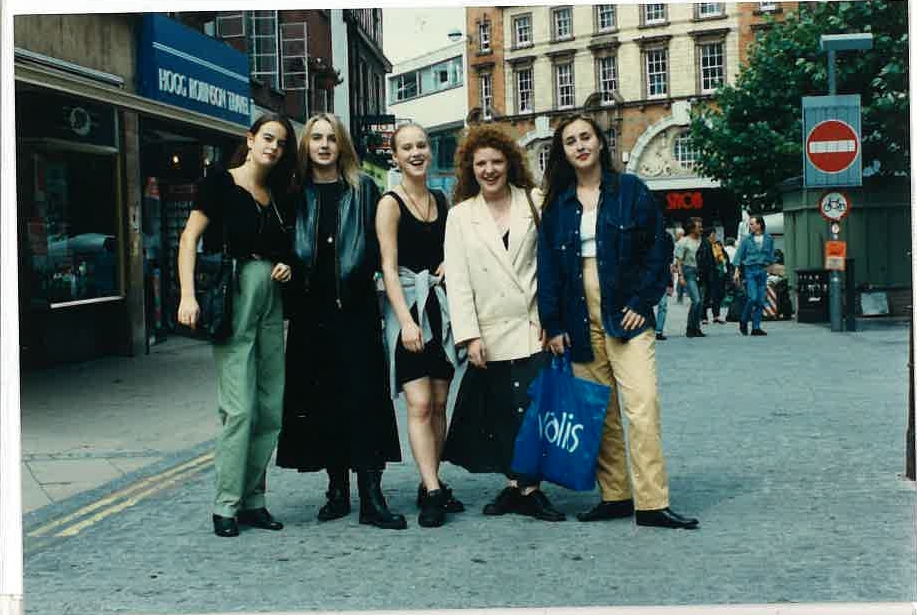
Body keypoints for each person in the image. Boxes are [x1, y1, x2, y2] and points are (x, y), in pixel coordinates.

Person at [537, 114, 698, 530]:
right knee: (600, 412)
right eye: (570, 141)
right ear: (563, 152)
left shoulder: (630, 190)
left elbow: (659, 249)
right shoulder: (557, 206)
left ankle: (652, 502)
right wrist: (553, 324)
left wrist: (643, 302)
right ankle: (616, 495)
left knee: (642, 404)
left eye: (585, 137)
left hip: (625, 312)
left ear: (600, 143)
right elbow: (548, 268)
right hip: (577, 315)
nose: (580, 146)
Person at [276, 113, 406, 530]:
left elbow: (386, 246)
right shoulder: (294, 193)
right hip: (310, 316)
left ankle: (371, 496)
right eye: (316, 138)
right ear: (306, 146)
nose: (324, 145)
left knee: (365, 401)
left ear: (342, 145)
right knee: (324, 402)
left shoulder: (364, 190)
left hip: (356, 312)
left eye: (331, 138)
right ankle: (337, 490)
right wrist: (284, 266)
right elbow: (281, 243)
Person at [177, 112, 297, 538]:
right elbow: (189, 238)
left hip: (272, 298)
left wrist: (286, 264)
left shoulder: (279, 193)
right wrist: (187, 295)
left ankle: (253, 501)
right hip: (235, 295)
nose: (274, 147)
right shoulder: (220, 182)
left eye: (281, 143)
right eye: (268, 138)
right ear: (250, 139)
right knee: (240, 409)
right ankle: (225, 505)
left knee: (270, 408)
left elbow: (286, 248)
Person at [442, 125, 565, 522]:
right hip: (490, 327)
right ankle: (516, 486)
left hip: (532, 322)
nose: (489, 170)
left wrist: (552, 317)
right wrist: (468, 335)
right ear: (470, 168)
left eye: (496, 161)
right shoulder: (461, 216)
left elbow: (553, 264)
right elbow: (458, 279)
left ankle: (530, 489)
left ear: (510, 163)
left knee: (532, 408)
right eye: (481, 163)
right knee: (500, 411)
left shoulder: (534, 201)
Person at [376, 122, 464, 528]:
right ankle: (431, 491)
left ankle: (433, 478)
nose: (416, 153)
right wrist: (406, 322)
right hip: (409, 310)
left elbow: (453, 248)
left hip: (439, 309)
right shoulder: (390, 203)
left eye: (421, 146)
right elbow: (388, 267)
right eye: (407, 147)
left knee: (441, 402)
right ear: (395, 157)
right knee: (420, 403)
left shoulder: (441, 200)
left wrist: (449, 261)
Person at [732, 214, 775, 336]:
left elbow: (771, 255)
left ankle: (756, 327)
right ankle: (743, 320)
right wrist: (736, 272)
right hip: (750, 271)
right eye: (750, 224)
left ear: (759, 225)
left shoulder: (769, 239)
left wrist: (770, 268)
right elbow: (739, 256)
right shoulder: (746, 240)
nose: (750, 226)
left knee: (760, 301)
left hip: (762, 271)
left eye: (752, 224)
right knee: (752, 298)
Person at [675, 217, 706, 338]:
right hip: (689, 272)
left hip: (701, 272)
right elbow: (679, 260)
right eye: (698, 227)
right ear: (692, 229)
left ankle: (696, 328)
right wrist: (681, 276)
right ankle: (690, 327)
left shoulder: (703, 241)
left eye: (701, 226)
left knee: (701, 302)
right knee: (696, 300)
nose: (701, 229)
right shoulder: (684, 242)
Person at [702, 227, 728, 324]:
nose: (714, 236)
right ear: (709, 235)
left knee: (717, 295)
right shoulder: (704, 245)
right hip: (708, 275)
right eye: (713, 234)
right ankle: (703, 317)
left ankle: (716, 316)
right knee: (707, 295)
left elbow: (724, 256)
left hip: (718, 274)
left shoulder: (716, 245)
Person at [674, 227, 686, 303]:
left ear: (680, 234)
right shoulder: (679, 242)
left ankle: (680, 296)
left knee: (681, 278)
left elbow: (677, 255)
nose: (675, 236)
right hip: (681, 263)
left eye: (676, 234)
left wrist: (675, 264)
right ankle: (680, 296)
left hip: (682, 263)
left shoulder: (681, 243)